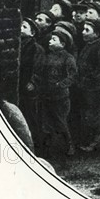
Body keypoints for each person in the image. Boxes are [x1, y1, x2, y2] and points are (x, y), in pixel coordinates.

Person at [33, 27, 77, 157]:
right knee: (46, 122)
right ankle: (48, 147)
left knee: (60, 121)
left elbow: (72, 76)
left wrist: (60, 85)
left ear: (62, 44)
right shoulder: (47, 56)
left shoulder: (68, 58)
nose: (50, 42)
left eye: (54, 39)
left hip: (60, 97)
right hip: (46, 94)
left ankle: (69, 145)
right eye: (50, 39)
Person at [76, 19, 100, 152]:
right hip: (85, 86)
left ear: (97, 34)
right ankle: (88, 139)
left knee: (93, 113)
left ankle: (96, 141)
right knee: (86, 113)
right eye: (83, 29)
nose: (83, 32)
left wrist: (89, 78)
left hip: (94, 88)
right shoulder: (88, 45)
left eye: (87, 30)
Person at [19, 17, 44, 151]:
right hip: (20, 85)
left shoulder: (36, 48)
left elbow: (38, 67)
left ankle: (36, 146)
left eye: (24, 27)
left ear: (32, 33)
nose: (20, 29)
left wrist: (33, 82)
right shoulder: (18, 45)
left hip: (29, 87)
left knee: (31, 115)